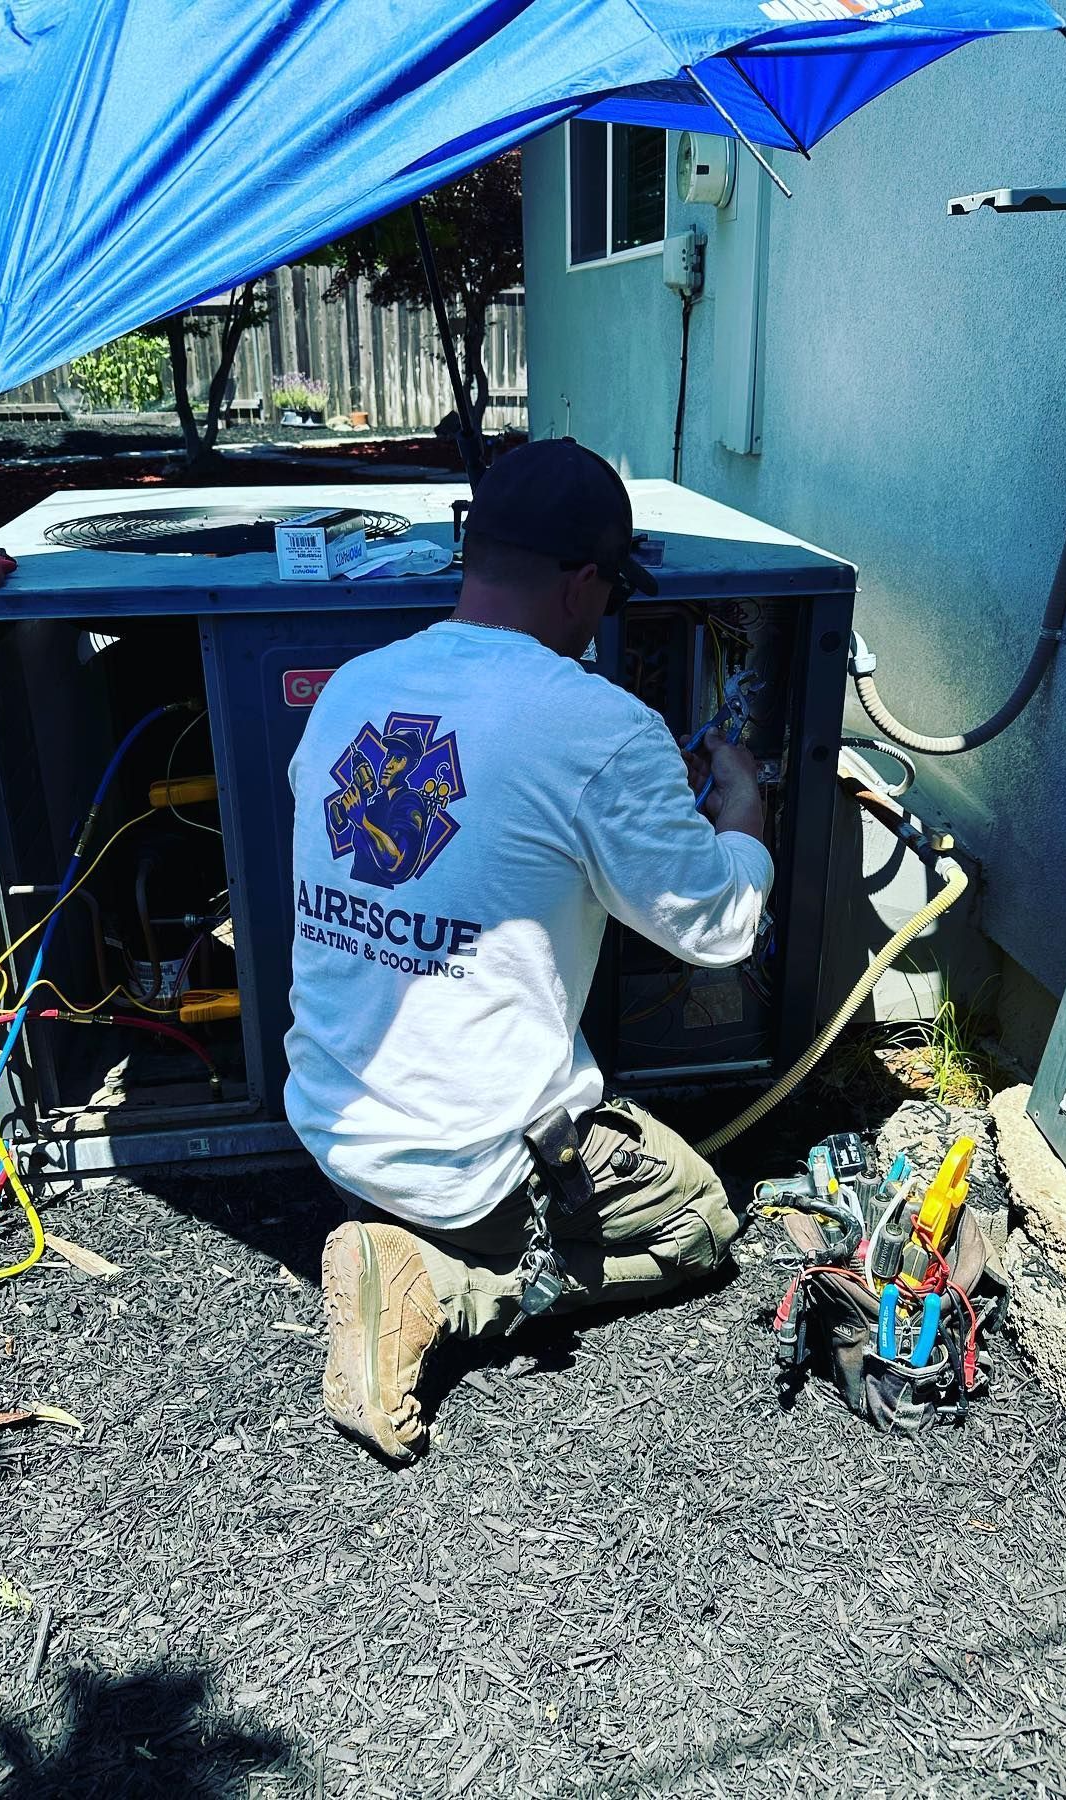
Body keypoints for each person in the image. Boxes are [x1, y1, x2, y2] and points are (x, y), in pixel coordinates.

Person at [284, 439, 770, 1462]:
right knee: (702, 1227)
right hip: (469, 1168)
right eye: (607, 594)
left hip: (333, 1127)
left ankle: (391, 1239)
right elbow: (718, 929)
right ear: (585, 583)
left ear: (477, 551)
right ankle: (444, 1291)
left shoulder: (354, 688)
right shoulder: (601, 725)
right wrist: (743, 818)